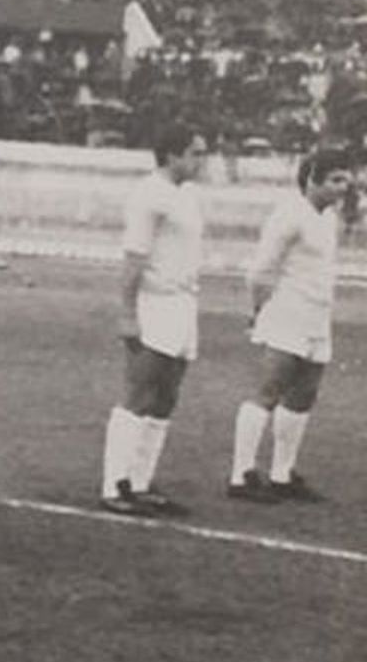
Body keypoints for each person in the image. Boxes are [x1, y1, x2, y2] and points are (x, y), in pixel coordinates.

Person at [226, 149, 355, 504]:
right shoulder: (289, 215)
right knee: (268, 391)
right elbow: (260, 271)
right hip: (287, 315)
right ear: (312, 178)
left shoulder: (327, 218)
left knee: (303, 395)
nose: (343, 187)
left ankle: (282, 474)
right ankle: (241, 475)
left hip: (317, 318)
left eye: (346, 180)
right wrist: (258, 311)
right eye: (336, 180)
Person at [99, 125, 210, 517]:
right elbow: (134, 260)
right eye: (196, 153)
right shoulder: (148, 195)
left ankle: (141, 481)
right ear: (172, 155)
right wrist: (128, 313)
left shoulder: (189, 195)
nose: (202, 161)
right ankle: (114, 484)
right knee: (139, 392)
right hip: (154, 303)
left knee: (167, 396)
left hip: (183, 304)